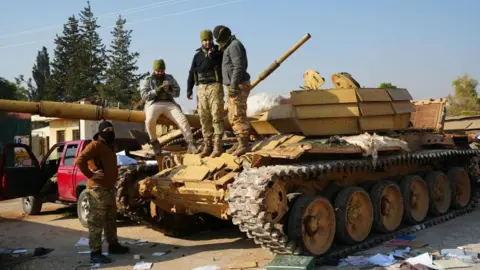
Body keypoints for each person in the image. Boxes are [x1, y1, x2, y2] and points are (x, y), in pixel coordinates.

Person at [74, 121, 129, 264]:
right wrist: (90, 175)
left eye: (111, 129)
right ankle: (95, 252)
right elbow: (80, 160)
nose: (110, 132)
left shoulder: (109, 146)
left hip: (109, 189)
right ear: (100, 132)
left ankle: (113, 245)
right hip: (97, 190)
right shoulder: (95, 145)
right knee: (96, 222)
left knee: (111, 219)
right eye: (106, 130)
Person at [141, 59, 199, 155]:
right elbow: (144, 96)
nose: (160, 73)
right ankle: (154, 142)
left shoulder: (169, 78)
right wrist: (157, 90)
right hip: (154, 103)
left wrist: (170, 89)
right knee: (149, 120)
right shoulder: (148, 80)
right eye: (158, 71)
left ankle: (190, 143)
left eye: (162, 71)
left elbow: (177, 93)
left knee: (182, 120)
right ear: (154, 70)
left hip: (169, 103)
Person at [213, 25, 251, 156]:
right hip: (233, 85)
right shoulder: (229, 46)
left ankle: (244, 144)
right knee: (232, 116)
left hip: (238, 85)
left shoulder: (234, 46)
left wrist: (234, 84)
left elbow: (239, 66)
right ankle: (239, 141)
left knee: (238, 115)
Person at [187, 29, 225, 158]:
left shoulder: (218, 52)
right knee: (204, 116)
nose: (207, 42)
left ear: (212, 40)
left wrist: (212, 54)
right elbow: (192, 72)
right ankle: (207, 145)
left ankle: (217, 145)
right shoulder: (197, 56)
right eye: (204, 40)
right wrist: (189, 89)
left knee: (216, 114)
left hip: (215, 85)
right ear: (201, 41)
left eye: (209, 40)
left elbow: (220, 64)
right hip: (201, 87)